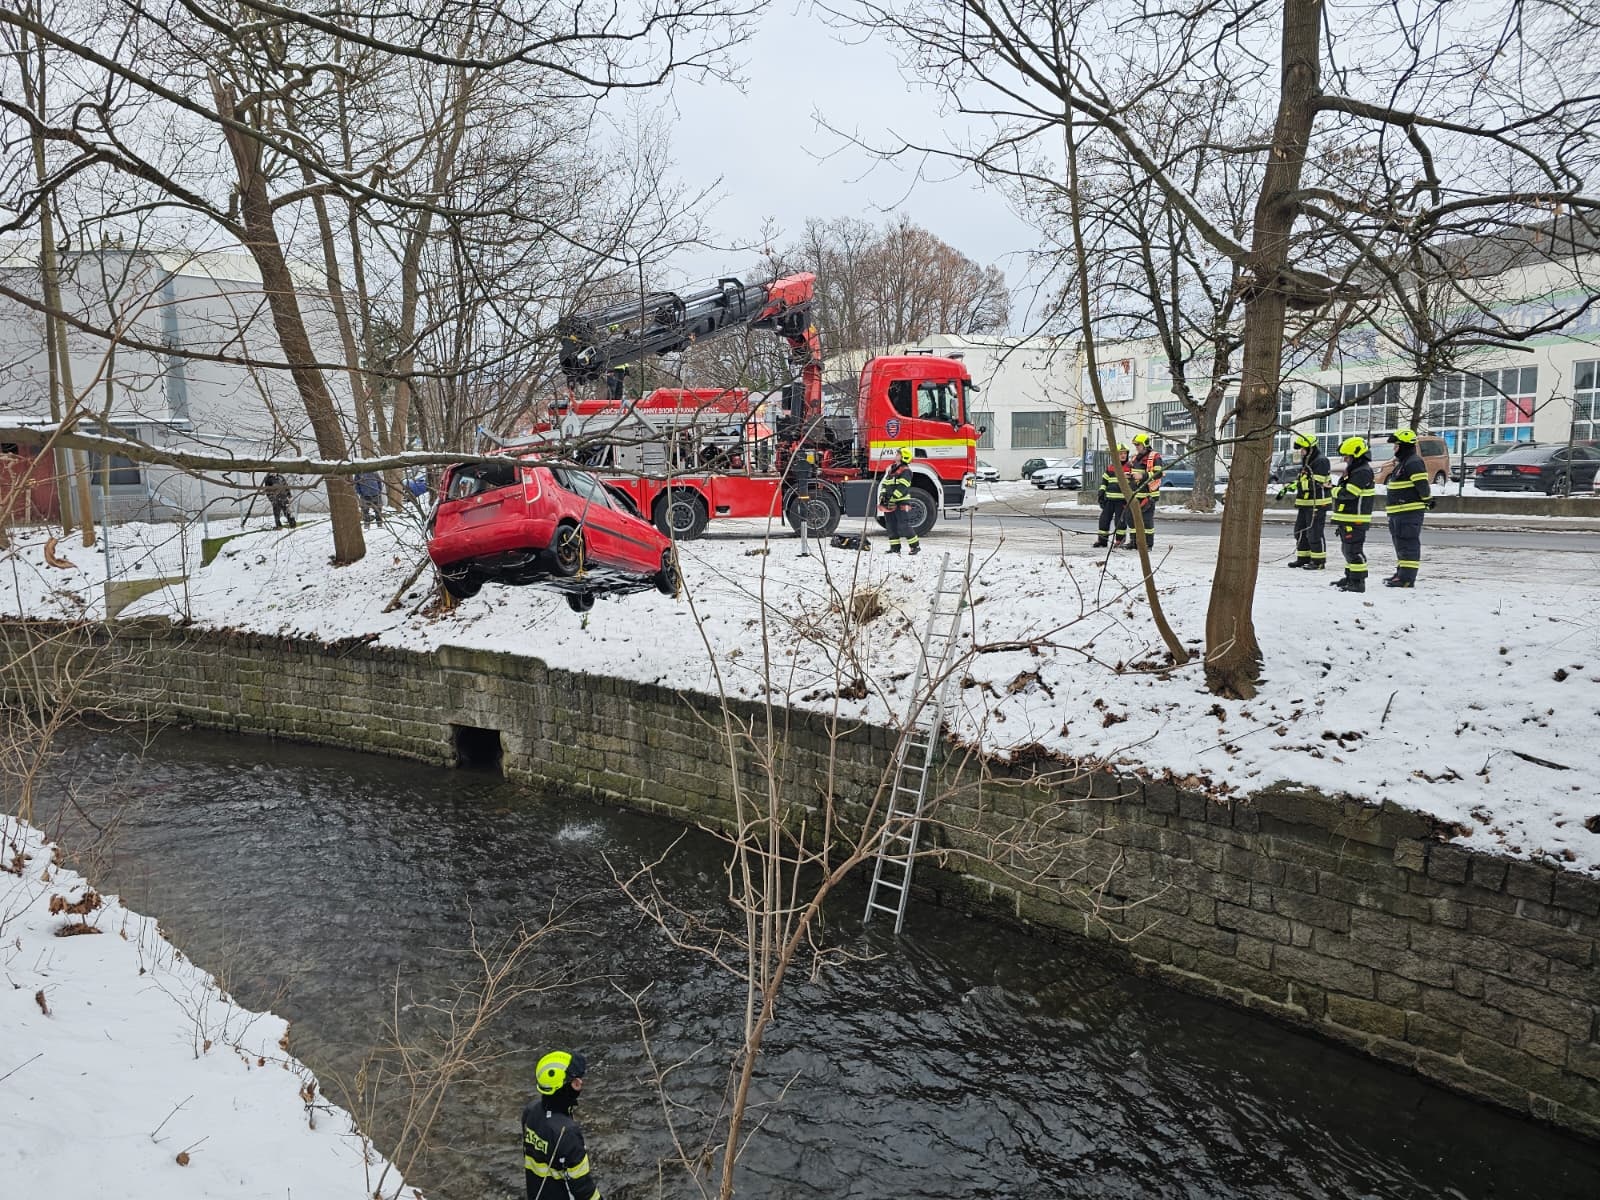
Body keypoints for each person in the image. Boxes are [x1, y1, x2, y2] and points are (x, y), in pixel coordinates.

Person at [522, 1050, 601, 1200]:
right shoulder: (567, 1133)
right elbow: (583, 1189)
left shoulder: (531, 1111)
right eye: (575, 1081)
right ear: (562, 1088)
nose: (580, 1083)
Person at [1383, 428, 1433, 587]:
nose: (1394, 448)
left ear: (1404, 446)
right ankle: (1401, 573)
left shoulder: (1413, 462)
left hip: (1408, 512)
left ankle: (1406, 579)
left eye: (1396, 445)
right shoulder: (1405, 463)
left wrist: (1428, 500)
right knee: (1401, 544)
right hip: (1399, 512)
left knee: (1408, 544)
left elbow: (1422, 486)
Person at [1329, 435, 1376, 592]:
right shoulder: (1356, 469)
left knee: (1353, 551)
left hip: (1355, 519)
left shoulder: (1362, 472)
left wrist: (1333, 490)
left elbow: (1350, 493)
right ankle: (1350, 577)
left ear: (1356, 455)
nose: (1345, 459)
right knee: (1347, 550)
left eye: (1347, 456)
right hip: (1348, 518)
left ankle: (1358, 582)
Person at [1280, 431, 1332, 569]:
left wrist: (1298, 485)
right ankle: (1303, 558)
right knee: (1300, 531)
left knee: (1314, 533)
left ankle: (1318, 561)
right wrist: (1288, 487)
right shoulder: (1308, 461)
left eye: (1303, 449)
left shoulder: (1321, 461)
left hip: (1317, 503)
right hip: (1305, 504)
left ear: (1310, 449)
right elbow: (1303, 480)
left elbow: (1316, 484)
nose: (1301, 452)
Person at [880, 446, 919, 554]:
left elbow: (903, 487)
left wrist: (893, 498)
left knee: (903, 525)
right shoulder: (892, 468)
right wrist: (883, 494)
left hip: (901, 502)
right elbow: (885, 483)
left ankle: (915, 547)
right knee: (890, 525)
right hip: (889, 502)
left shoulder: (906, 471)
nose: (896, 455)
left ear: (903, 457)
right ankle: (895, 548)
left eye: (898, 454)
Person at [1128, 432, 1164, 546]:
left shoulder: (1155, 456)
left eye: (1138, 444)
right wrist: (1129, 476)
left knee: (1147, 521)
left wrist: (1143, 475)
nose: (1136, 447)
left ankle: (1148, 544)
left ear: (1145, 444)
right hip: (1135, 494)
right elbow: (1134, 473)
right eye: (1135, 445)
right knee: (1131, 519)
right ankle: (1133, 542)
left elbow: (1158, 473)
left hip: (1149, 495)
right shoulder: (1134, 458)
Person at [1093, 443, 1132, 549]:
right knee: (1104, 520)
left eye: (1124, 453)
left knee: (1120, 523)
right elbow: (1104, 482)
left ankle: (1119, 540)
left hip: (1122, 501)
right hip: (1109, 500)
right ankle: (1102, 541)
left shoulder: (1130, 467)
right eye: (1120, 453)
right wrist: (1101, 493)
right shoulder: (1110, 467)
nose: (1123, 455)